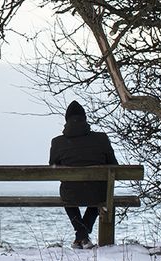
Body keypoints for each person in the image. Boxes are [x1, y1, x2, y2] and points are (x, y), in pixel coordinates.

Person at [49, 100, 118, 249]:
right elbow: (114, 166)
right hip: (98, 194)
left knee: (68, 196)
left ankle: (80, 236)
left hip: (70, 193)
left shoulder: (57, 142)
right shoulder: (101, 139)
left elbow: (53, 168)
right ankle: (83, 237)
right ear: (84, 118)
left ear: (66, 120)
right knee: (99, 196)